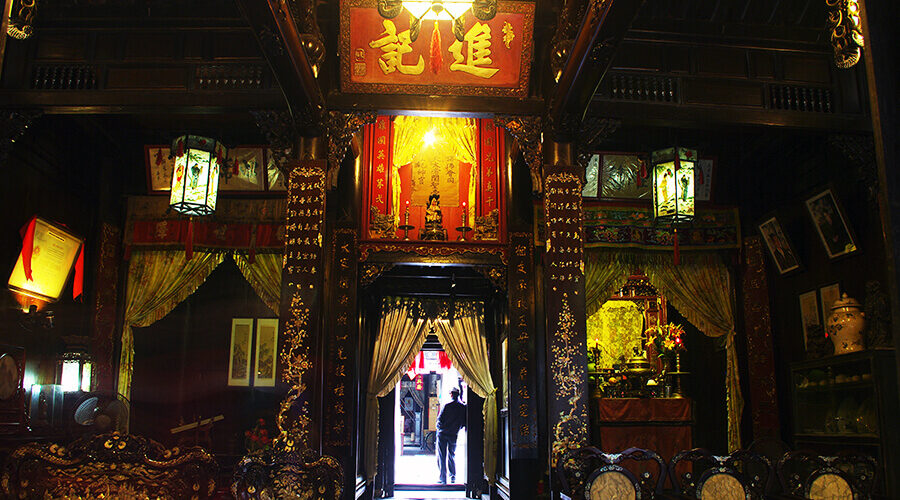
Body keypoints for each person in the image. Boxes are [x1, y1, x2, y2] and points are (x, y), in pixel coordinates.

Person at [436, 387, 466, 484]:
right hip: (453, 434)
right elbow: (464, 422)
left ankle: (442, 478)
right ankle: (452, 476)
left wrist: (441, 428)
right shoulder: (463, 407)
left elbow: (439, 420)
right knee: (451, 455)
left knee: (442, 455)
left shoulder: (447, 406)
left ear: (451, 395)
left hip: (443, 433)